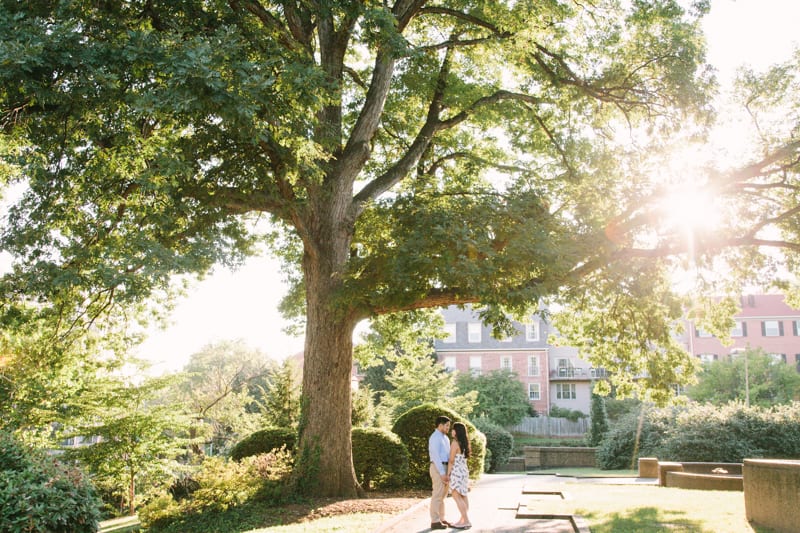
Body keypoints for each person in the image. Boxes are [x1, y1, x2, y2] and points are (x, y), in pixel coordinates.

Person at [428, 415, 452, 530]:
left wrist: (449, 471)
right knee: (437, 495)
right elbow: (436, 457)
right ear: (440, 425)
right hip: (438, 468)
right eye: (447, 425)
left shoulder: (445, 438)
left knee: (443, 496)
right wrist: (442, 473)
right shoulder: (435, 438)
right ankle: (435, 521)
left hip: (446, 468)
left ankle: (442, 518)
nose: (448, 428)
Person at [447, 422, 472, 529]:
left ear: (457, 431)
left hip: (456, 471)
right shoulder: (464, 443)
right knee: (463, 495)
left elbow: (451, 460)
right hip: (464, 471)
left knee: (456, 495)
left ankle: (466, 520)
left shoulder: (455, 443)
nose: (451, 431)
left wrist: (447, 474)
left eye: (453, 429)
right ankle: (463, 519)